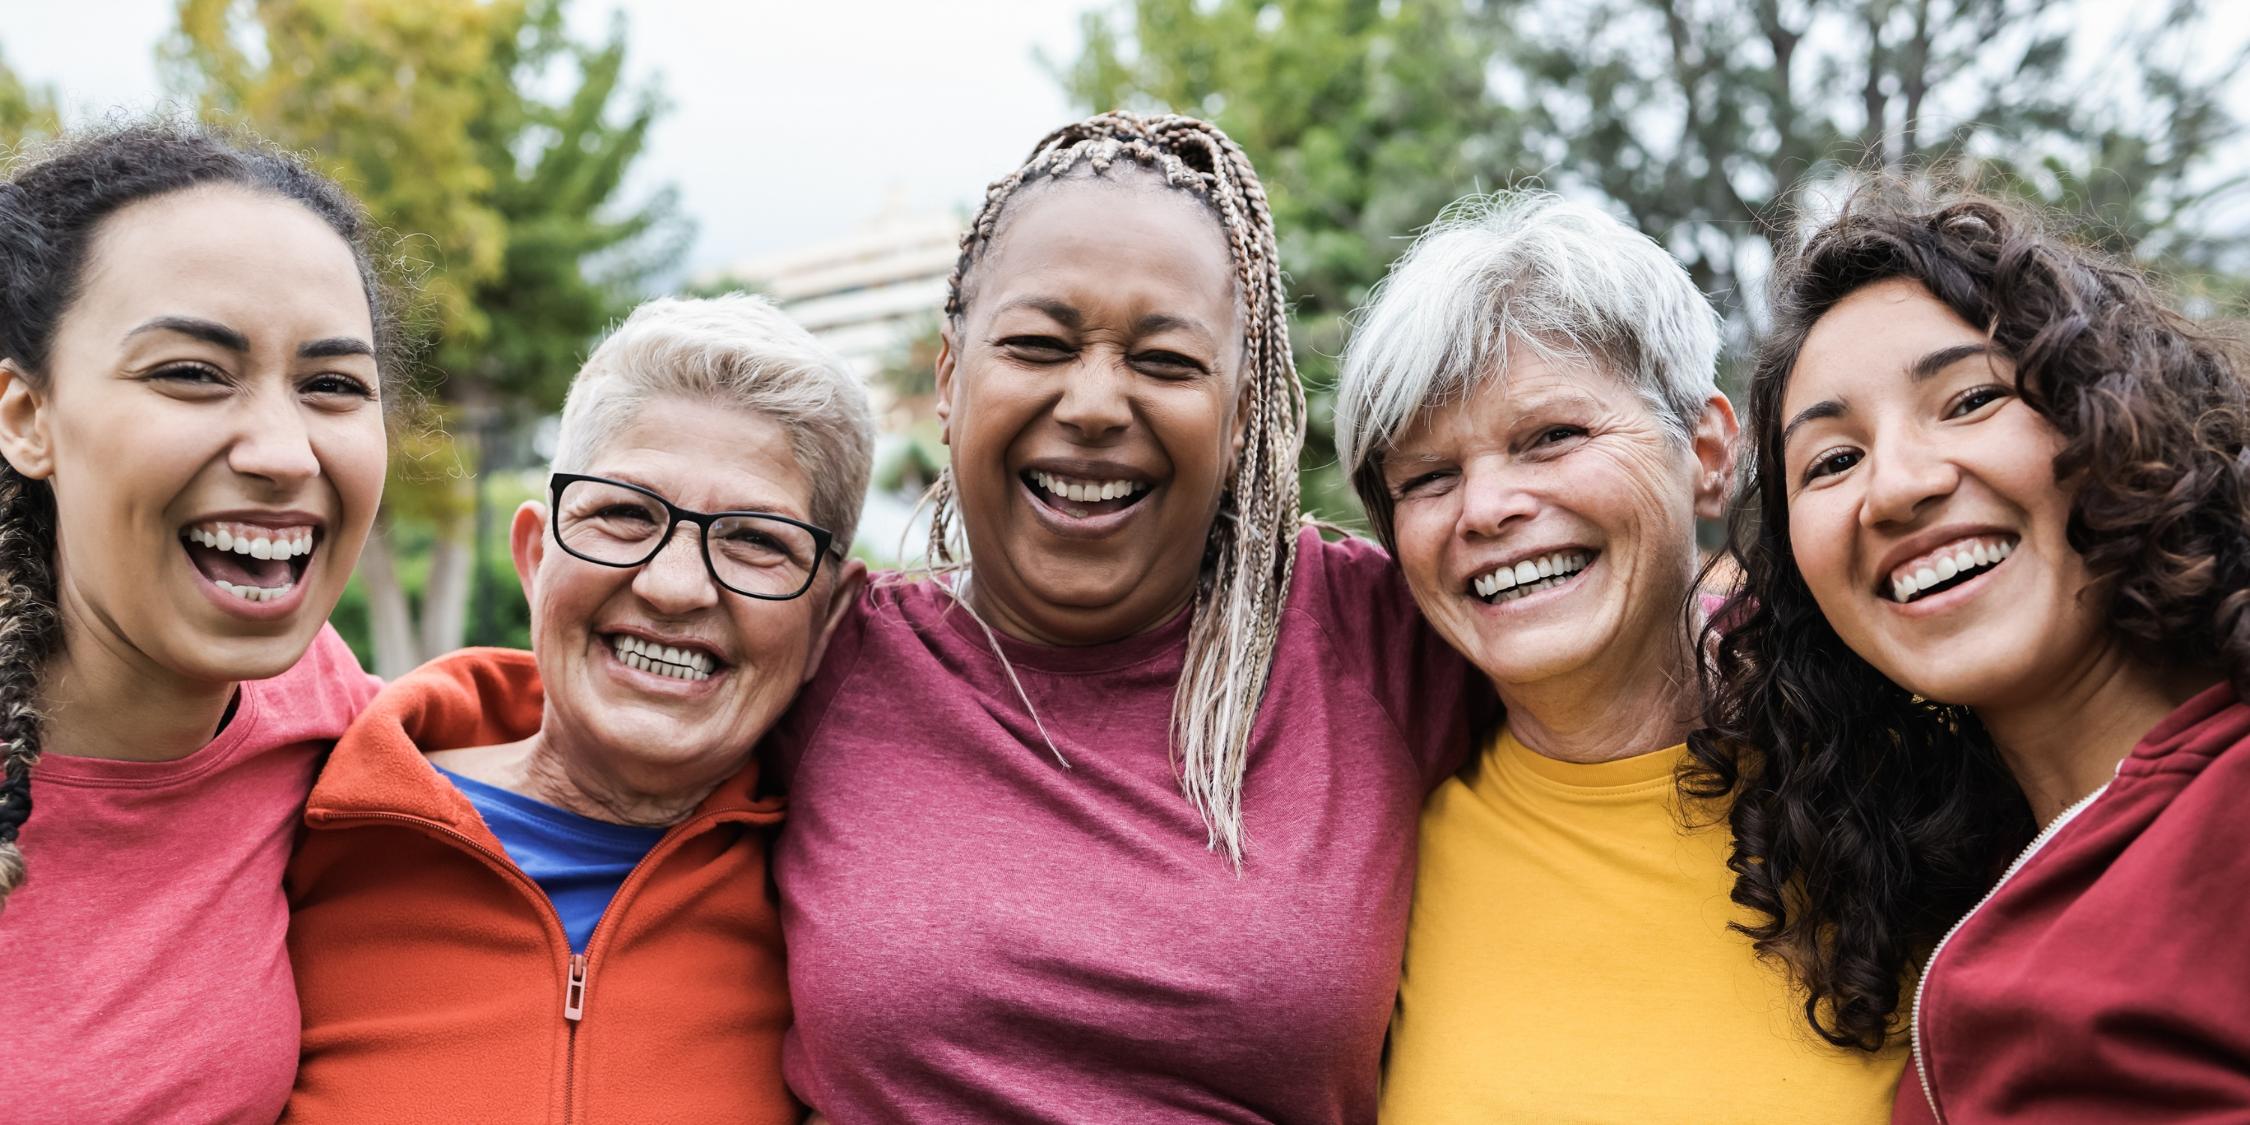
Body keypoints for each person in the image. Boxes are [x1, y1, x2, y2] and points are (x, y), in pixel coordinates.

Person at [769, 112, 1481, 1122]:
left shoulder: (1376, 639)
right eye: (1037, 345)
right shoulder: (822, 656)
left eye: (1165, 361)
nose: (1096, 404)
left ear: (1242, 414)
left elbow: (1668, 668)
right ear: (949, 379)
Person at [1333, 191, 1906, 1120]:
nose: (1486, 510)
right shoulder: (1377, 869)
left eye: (1552, 437)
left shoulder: (1914, 792)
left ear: (1708, 453)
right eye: (1429, 478)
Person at [1697, 183, 2250, 1124]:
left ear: (2118, 413)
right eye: (1833, 461)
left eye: (1970, 399)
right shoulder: (1937, 883)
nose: (1897, 487)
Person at [284, 294, 872, 1123]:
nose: (674, 587)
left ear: (828, 620)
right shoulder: (298, 822)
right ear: (535, 556)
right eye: (624, 513)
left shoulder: (854, 935)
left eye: (756, 540)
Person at [0, 120, 395, 1123]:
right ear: (25, 416)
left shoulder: (339, 721)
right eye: (191, 372)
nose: (284, 451)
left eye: (333, 386)